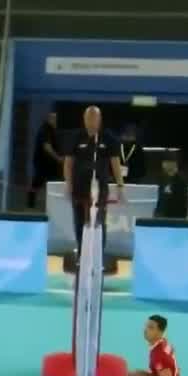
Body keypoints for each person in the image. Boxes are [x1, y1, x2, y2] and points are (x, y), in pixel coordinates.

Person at [61, 106, 123, 271]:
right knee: (80, 222)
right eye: (88, 118)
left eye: (94, 118)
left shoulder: (108, 138)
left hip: (100, 190)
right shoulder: (75, 137)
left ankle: (98, 256)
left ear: (100, 120)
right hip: (79, 189)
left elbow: (115, 163)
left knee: (99, 223)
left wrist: (120, 185)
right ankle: (82, 255)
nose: (91, 122)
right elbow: (68, 164)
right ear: (84, 119)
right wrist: (68, 184)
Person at [152, 155, 188, 219]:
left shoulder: (181, 182)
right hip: (162, 216)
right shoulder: (163, 180)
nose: (164, 165)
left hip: (175, 217)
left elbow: (182, 203)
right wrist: (157, 212)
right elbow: (161, 199)